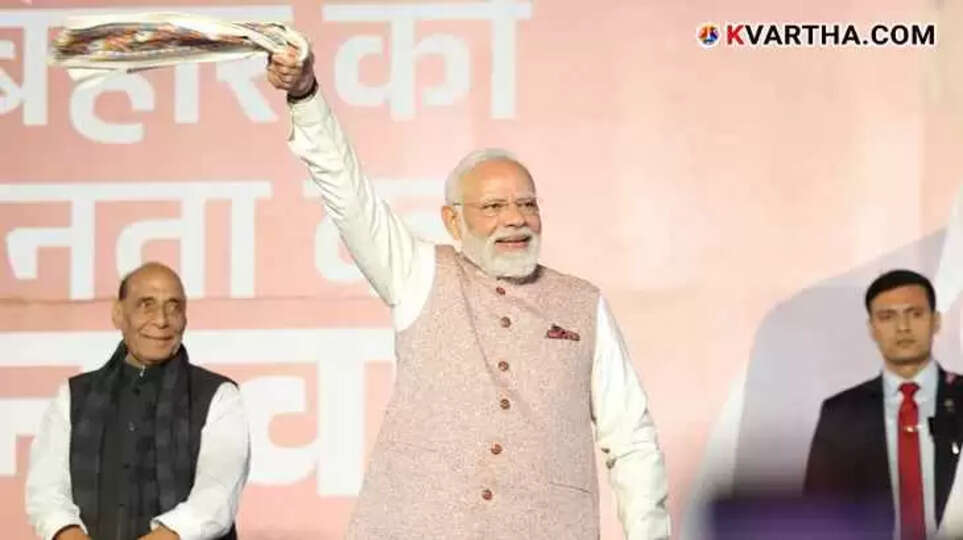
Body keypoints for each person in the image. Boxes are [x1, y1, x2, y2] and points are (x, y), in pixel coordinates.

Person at [266, 46, 670, 539]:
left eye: (527, 203)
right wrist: (306, 96)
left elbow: (631, 439)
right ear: (453, 220)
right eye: (494, 206)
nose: (515, 218)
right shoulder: (418, 273)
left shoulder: (584, 303)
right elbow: (349, 195)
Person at [25, 262, 250, 540]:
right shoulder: (73, 396)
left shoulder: (218, 395)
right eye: (147, 304)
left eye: (174, 306)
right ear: (118, 314)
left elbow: (216, 499)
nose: (162, 320)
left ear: (186, 318)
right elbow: (46, 492)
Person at [805, 269, 963, 539]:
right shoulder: (842, 412)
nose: (903, 328)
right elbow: (818, 513)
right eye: (888, 317)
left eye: (915, 314)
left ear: (935, 321)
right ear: (872, 329)